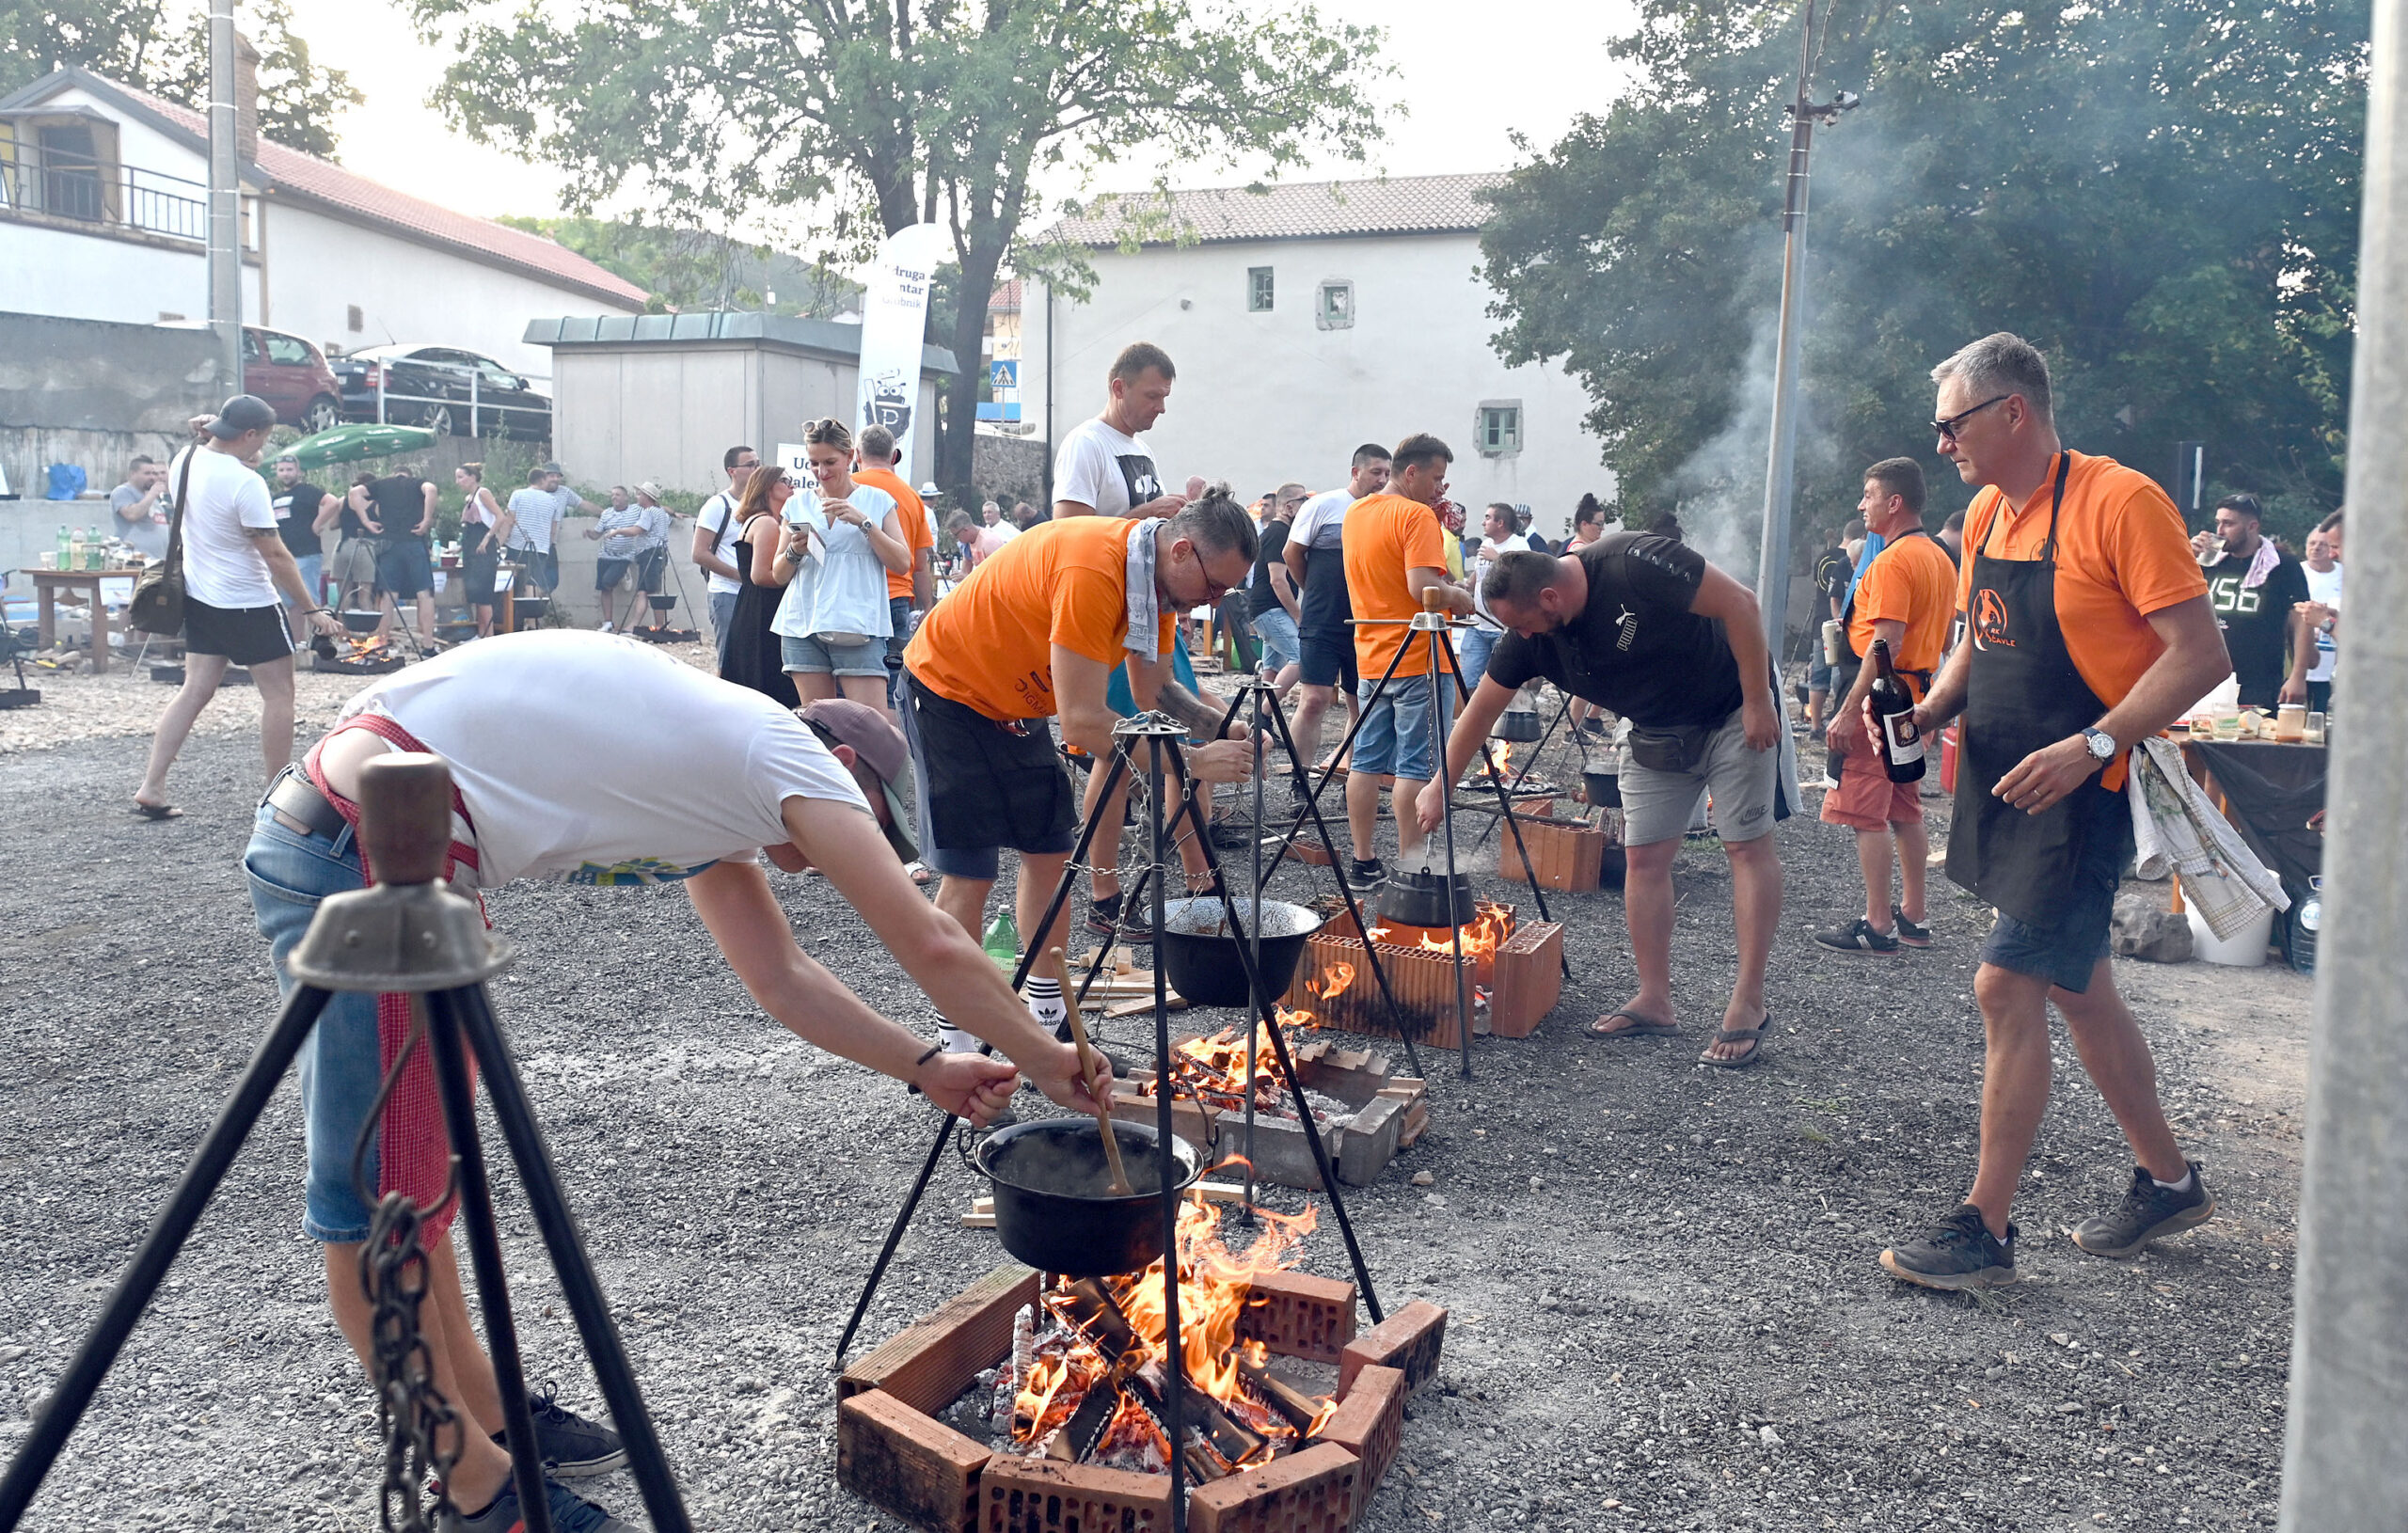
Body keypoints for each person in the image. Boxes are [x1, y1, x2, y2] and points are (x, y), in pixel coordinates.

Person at [243, 630, 1101, 1533]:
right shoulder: (776, 754)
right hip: (359, 850)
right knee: (379, 1205)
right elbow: (929, 943)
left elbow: (780, 977)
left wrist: (926, 1066)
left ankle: (491, 1412)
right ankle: (473, 1489)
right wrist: (1046, 1059)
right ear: (841, 762)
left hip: (407, 844)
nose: (867, 846)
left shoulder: (710, 779)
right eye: (874, 820)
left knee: (428, 1181)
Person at [1875, 332, 2231, 1291]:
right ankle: (2168, 1182)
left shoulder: (2121, 502)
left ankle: (1984, 1225)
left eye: (1952, 423)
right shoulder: (1987, 512)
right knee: (2079, 988)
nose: (1942, 441)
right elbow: (1975, 638)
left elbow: (2200, 655)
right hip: (2010, 782)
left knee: (2005, 985)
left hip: (2089, 790)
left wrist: (2095, 745)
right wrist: (1933, 707)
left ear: (2011, 413)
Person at [1424, 532, 1790, 1067]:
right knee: (1643, 858)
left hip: (1734, 709)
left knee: (1745, 847)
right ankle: (1655, 999)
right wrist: (1440, 785)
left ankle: (1748, 1001)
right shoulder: (1529, 638)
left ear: (1550, 597)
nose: (1520, 636)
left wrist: (1759, 700)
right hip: (1655, 729)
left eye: (1521, 622)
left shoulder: (1635, 564)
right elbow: (1478, 712)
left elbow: (1742, 603)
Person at [899, 499, 1262, 1007]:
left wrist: (1222, 726)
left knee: (1050, 854)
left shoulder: (1150, 581)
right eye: (1214, 587)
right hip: (947, 690)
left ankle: (1048, 1016)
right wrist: (1192, 761)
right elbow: (1083, 721)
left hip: (1013, 706)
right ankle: (963, 1032)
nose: (1213, 601)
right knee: (971, 872)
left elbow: (1154, 692)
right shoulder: (1095, 570)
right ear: (1182, 551)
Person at [1049, 342, 1221, 939]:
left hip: (1148, 612)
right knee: (1114, 750)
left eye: (1167, 396)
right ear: (1117, 386)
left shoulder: (1140, 447)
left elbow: (1156, 540)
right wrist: (1148, 512)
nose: (1161, 407)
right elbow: (1068, 532)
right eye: (1153, 395)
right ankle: (1103, 891)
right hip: (1108, 614)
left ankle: (1200, 877)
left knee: (1182, 729)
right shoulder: (1086, 443)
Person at [133, 397, 341, 818]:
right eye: (263, 436)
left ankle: (151, 785)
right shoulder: (247, 485)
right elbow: (276, 554)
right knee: (280, 695)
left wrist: (214, 430)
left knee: (194, 691)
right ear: (250, 435)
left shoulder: (184, 459)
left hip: (202, 596)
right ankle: (277, 796)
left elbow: (240, 449)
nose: (265, 448)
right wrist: (312, 608)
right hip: (249, 601)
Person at [1813, 458, 1956, 954]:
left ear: (1894, 502)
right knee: (1905, 807)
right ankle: (1914, 916)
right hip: (1917, 698)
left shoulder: (1894, 562)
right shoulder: (1938, 556)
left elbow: (1887, 644)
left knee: (1864, 813)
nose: (1862, 504)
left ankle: (1878, 924)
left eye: (1869, 495)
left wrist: (1850, 710)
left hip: (1882, 700)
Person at [1339, 435, 1476, 882]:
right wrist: (1459, 596)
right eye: (1437, 478)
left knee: (1365, 762)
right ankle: (1411, 869)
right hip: (1418, 657)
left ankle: (1363, 862)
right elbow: (1424, 590)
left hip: (1372, 655)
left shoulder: (1355, 512)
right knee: (1413, 766)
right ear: (1411, 472)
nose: (1441, 489)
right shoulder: (1415, 515)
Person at [765, 418, 912, 717]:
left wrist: (864, 523)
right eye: (814, 463)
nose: (822, 472)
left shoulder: (876, 499)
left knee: (867, 727)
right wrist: (795, 549)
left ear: (850, 457)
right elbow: (778, 574)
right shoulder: (797, 504)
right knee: (819, 726)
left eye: (829, 462)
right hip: (803, 622)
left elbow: (902, 562)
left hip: (857, 623)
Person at [1284, 445, 1393, 802]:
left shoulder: (1387, 513)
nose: (1382, 479)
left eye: (1386, 473)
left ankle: (1353, 779)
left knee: (1358, 705)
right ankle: (1300, 780)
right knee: (1313, 700)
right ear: (1355, 472)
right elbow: (1291, 554)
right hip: (1321, 619)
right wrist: (1311, 590)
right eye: (1376, 471)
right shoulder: (1324, 505)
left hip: (1366, 623)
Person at [2189, 493, 2309, 710]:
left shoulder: (2283, 566)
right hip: (2207, 678)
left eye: (2228, 524)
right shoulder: (2208, 562)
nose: (2220, 531)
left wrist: (2298, 676)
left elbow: (2301, 619)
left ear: (2252, 526)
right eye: (2218, 523)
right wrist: (2185, 556)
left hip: (2258, 681)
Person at [851, 424, 935, 715]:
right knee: (890, 689)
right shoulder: (911, 496)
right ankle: (895, 755)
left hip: (853, 598)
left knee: (848, 684)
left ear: (856, 454)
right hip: (897, 598)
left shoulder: (848, 486)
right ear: (894, 455)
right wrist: (927, 606)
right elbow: (920, 564)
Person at [717, 465, 800, 710]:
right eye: (785, 481)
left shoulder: (763, 521)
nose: (791, 485)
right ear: (768, 487)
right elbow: (762, 575)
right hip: (764, 609)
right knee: (766, 678)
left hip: (753, 606)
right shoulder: (766, 524)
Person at [1460, 502, 1542, 695]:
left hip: (1503, 627)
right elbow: (1479, 574)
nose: (1483, 522)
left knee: (1504, 683)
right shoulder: (1486, 544)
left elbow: (1526, 578)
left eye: (1488, 518)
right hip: (1478, 625)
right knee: (1467, 679)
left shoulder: (1518, 545)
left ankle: (1506, 722)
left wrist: (1498, 558)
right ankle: (1477, 722)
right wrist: (1465, 586)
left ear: (1501, 523)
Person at [693, 445, 761, 663]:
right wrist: (739, 575)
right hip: (727, 593)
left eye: (758, 464)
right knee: (730, 657)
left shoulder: (760, 504)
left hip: (756, 593)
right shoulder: (717, 506)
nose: (756, 469)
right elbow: (700, 553)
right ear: (732, 470)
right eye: (750, 465)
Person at [360, 466, 438, 650]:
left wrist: (365, 521)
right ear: (409, 475)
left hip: (388, 545)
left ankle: (382, 642)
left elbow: (355, 492)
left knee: (388, 595)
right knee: (424, 593)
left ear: (393, 474)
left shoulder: (382, 485)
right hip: (413, 542)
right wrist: (427, 520)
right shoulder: (415, 484)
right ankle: (428, 644)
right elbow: (432, 490)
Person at [269, 453, 338, 641]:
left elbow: (332, 501)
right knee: (292, 603)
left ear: (298, 472)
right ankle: (298, 644)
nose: (285, 474)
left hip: (306, 553)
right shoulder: (276, 497)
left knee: (309, 600)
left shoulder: (306, 491)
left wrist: (318, 524)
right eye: (282, 470)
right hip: (284, 555)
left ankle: (320, 642)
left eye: (289, 470)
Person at [1249, 482, 1308, 695]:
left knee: (1271, 669)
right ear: (1289, 507)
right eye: (1303, 501)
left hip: (1268, 610)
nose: (1307, 506)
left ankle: (1259, 716)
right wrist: (1298, 616)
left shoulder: (1278, 532)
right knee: (1301, 658)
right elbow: (1278, 580)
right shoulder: (1279, 533)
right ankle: (1264, 712)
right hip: (1271, 610)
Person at [1563, 493, 1611, 738]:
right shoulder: (1580, 552)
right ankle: (1573, 727)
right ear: (1584, 524)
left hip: (1595, 620)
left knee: (1600, 674)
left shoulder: (1589, 549)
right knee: (1586, 677)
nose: (1602, 529)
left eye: (1604, 524)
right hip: (1585, 623)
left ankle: (1591, 719)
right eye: (1598, 524)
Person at [1804, 525, 1854, 741]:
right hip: (1842, 626)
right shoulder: (1856, 560)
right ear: (1860, 537)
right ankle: (1837, 720)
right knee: (1839, 676)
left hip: (1820, 622)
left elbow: (1818, 584)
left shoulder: (1824, 557)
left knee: (1819, 676)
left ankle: (1815, 727)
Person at [586, 485, 657, 633]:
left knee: (608, 581)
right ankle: (608, 622)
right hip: (605, 555)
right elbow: (597, 534)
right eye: (612, 495)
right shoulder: (606, 513)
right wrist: (589, 533)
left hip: (625, 556)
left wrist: (674, 512)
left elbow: (655, 507)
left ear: (626, 498)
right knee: (604, 588)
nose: (614, 497)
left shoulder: (635, 510)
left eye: (618, 495)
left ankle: (625, 572)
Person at [455, 463, 515, 639]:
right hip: (470, 546)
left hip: (483, 546)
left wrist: (488, 538)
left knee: (483, 593)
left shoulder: (483, 493)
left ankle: (488, 634)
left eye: (461, 477)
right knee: (474, 593)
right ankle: (481, 632)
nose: (458, 481)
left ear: (472, 477)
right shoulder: (469, 498)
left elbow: (500, 516)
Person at [506, 463, 582, 597]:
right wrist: (550, 544)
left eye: (556, 476)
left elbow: (509, 521)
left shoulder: (517, 494)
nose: (552, 480)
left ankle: (512, 615)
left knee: (514, 579)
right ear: (542, 479)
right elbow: (553, 528)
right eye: (549, 477)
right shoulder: (552, 500)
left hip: (519, 545)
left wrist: (501, 541)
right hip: (541, 547)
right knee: (532, 582)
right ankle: (530, 615)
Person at [2295, 515, 2342, 714]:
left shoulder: (2351, 574)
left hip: (2333, 666)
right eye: (2312, 543)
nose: (2331, 553)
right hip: (2301, 665)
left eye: (2333, 546)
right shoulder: (2296, 571)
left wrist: (2325, 622)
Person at [330, 470, 382, 617]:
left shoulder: (343, 501)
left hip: (343, 546)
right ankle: (368, 633)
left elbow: (332, 525)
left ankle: (340, 632)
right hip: (366, 547)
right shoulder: (376, 504)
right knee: (364, 596)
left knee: (343, 596)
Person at [111, 454, 170, 562]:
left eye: (154, 473)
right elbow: (132, 515)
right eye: (147, 473)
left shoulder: (152, 498)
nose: (152, 477)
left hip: (158, 562)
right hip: (135, 562)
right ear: (133, 474)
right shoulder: (122, 492)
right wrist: (152, 494)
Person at [949, 511, 1014, 570]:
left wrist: (970, 579)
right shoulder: (967, 543)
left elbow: (998, 572)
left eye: (956, 535)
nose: (956, 539)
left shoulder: (989, 542)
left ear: (966, 529)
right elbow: (966, 570)